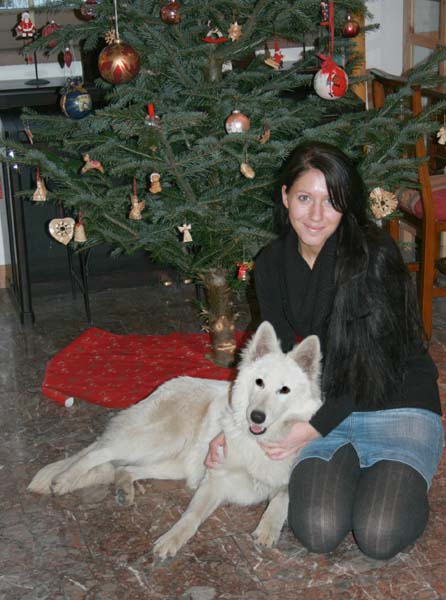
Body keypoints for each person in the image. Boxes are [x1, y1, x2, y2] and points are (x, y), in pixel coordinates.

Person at [206, 141, 443, 560]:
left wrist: (313, 428)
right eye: (304, 198)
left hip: (396, 403)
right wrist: (236, 425)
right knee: (317, 529)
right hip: (324, 405)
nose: (316, 215)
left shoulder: (374, 255)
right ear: (285, 197)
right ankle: (361, 475)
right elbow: (273, 365)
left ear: (347, 205)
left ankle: (398, 479)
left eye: (331, 201)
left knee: (379, 534)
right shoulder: (271, 263)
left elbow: (372, 368)